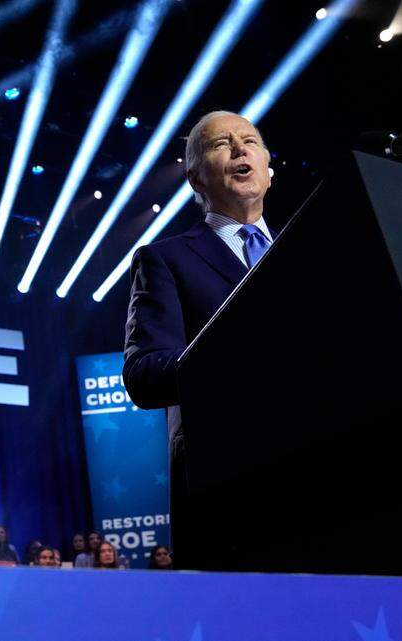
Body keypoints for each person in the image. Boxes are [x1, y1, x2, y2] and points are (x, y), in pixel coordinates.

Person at [124, 111, 273, 568]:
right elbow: (144, 374)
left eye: (249, 140)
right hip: (231, 488)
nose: (239, 148)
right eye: (220, 144)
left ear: (268, 167)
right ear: (195, 178)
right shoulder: (165, 260)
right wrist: (235, 352)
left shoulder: (312, 251)